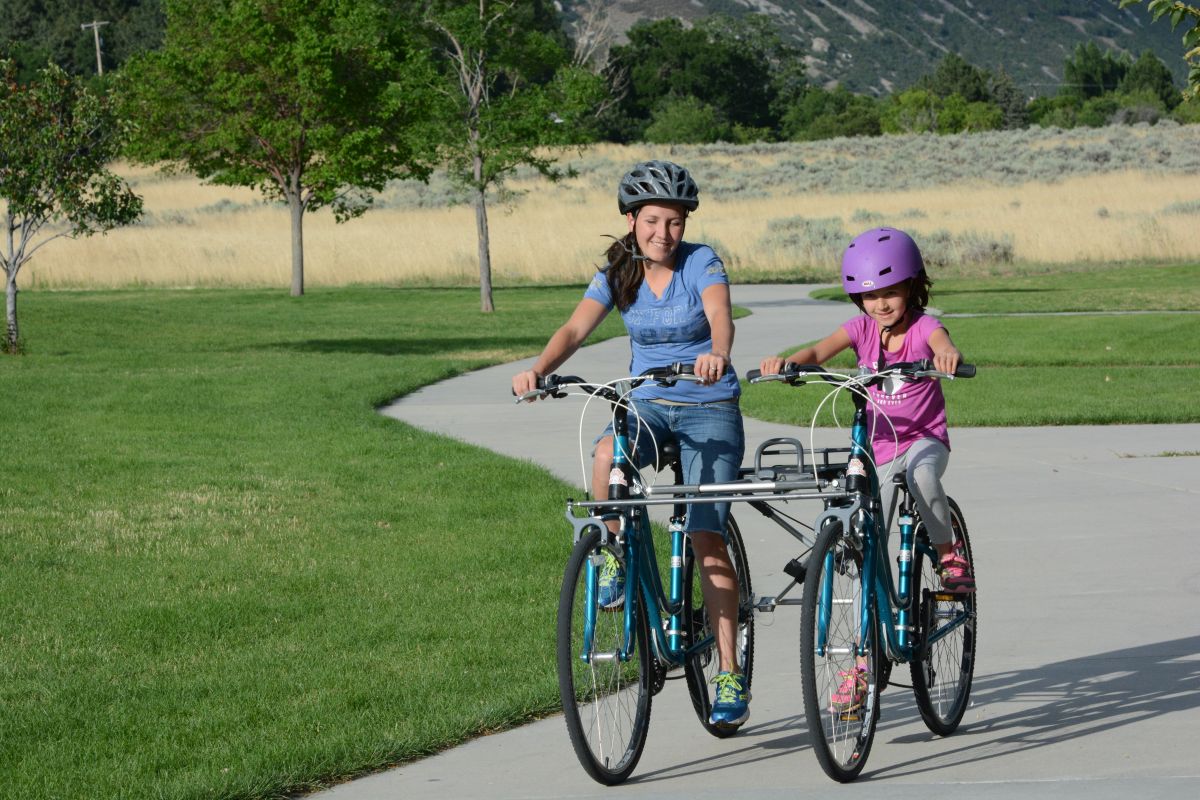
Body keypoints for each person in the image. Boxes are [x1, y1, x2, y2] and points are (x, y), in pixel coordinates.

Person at [512, 160, 750, 729]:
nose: (663, 233)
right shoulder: (620, 269)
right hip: (645, 402)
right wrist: (539, 370)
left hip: (707, 404)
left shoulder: (702, 261)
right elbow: (574, 329)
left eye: (673, 222)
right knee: (604, 456)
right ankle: (614, 552)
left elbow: (721, 315)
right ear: (629, 219)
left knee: (706, 536)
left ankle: (727, 671)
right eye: (652, 221)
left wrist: (716, 351)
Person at [757, 226, 975, 713]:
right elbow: (817, 351)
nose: (880, 303)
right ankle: (862, 663)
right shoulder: (859, 331)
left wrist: (946, 355)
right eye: (870, 295)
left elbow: (941, 339)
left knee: (922, 479)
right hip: (876, 447)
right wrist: (788, 365)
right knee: (851, 519)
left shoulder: (923, 328)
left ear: (913, 286)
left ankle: (947, 551)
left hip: (922, 442)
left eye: (891, 292)